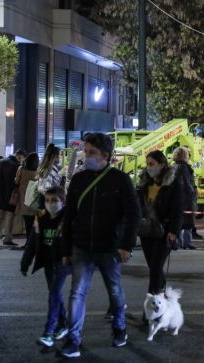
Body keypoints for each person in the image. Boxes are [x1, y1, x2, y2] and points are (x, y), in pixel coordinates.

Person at [61, 133, 141, 358]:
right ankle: (73, 339)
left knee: (114, 291)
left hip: (110, 247)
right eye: (86, 152)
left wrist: (126, 244)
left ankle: (119, 328)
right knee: (77, 293)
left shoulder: (120, 180)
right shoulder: (78, 180)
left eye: (91, 153)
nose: (86, 156)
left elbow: (134, 214)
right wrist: (66, 249)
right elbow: (69, 217)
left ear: (105, 155)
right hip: (82, 246)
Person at [20, 186, 71, 347]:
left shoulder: (68, 218)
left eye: (54, 200)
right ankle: (63, 324)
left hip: (62, 261)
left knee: (54, 293)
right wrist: (25, 262)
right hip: (48, 261)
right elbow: (32, 242)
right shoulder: (40, 217)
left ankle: (48, 332)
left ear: (63, 202)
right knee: (54, 294)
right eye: (48, 200)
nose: (50, 204)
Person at [137, 151, 182, 296]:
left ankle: (151, 306)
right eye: (147, 164)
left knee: (156, 268)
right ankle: (162, 300)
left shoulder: (173, 184)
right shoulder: (143, 184)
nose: (149, 167)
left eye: (152, 164)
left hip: (164, 231)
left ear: (162, 165)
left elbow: (177, 209)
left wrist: (173, 231)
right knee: (153, 268)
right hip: (146, 231)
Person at [0, 149, 25, 246]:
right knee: (9, 218)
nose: (21, 160)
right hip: (10, 196)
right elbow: (16, 182)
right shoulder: (16, 166)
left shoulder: (0, 162)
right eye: (22, 158)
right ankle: (7, 239)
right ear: (20, 156)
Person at [173, 147, 197, 250]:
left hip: (176, 198)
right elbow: (187, 184)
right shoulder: (184, 167)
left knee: (178, 221)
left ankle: (178, 242)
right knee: (187, 222)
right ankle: (186, 243)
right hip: (185, 199)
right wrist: (192, 193)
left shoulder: (173, 166)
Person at [15, 152, 40, 243]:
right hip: (34, 197)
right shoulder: (38, 170)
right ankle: (33, 242)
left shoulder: (21, 169)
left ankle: (28, 242)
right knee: (34, 222)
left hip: (23, 197)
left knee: (27, 221)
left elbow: (16, 181)